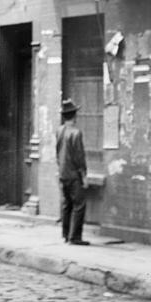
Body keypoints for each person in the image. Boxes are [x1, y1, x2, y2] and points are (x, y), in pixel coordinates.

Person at [56, 97, 89, 245]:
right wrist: (84, 176)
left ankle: (65, 234)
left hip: (63, 173)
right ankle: (74, 237)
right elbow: (79, 157)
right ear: (74, 116)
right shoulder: (76, 133)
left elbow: (57, 152)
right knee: (79, 205)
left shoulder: (59, 131)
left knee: (66, 204)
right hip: (74, 175)